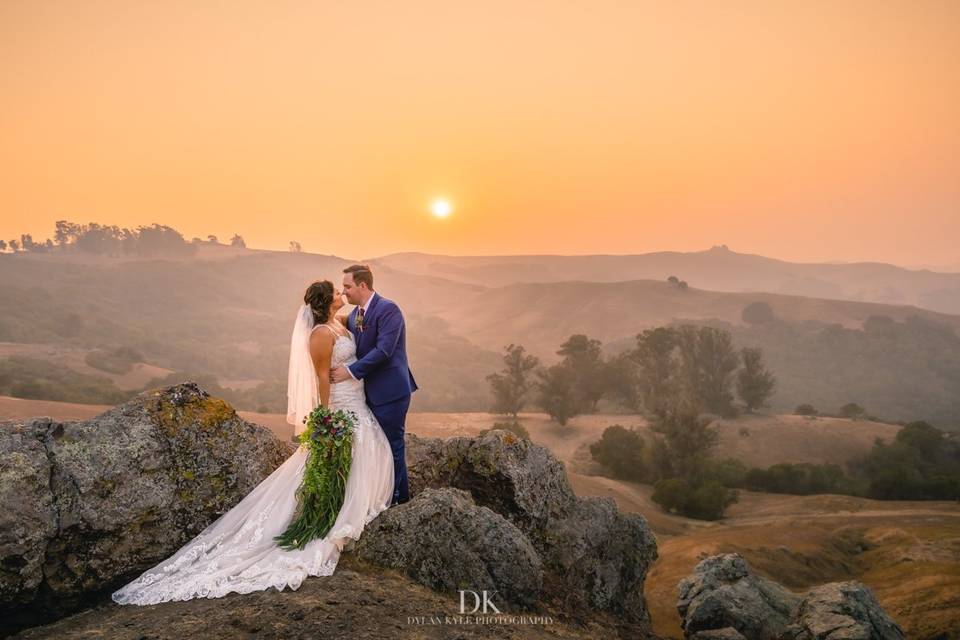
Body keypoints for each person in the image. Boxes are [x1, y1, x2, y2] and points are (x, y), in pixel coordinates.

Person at [111, 280, 395, 605]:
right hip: (340, 407)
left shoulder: (340, 323)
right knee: (334, 464)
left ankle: (348, 514)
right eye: (335, 291)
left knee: (365, 455)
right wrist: (324, 419)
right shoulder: (319, 334)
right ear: (323, 301)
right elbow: (320, 378)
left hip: (358, 404)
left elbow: (365, 320)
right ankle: (326, 522)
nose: (340, 294)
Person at [330, 264, 418, 505]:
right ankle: (382, 496)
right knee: (377, 447)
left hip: (391, 392)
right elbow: (337, 322)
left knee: (392, 446)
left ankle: (400, 499)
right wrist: (319, 316)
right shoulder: (359, 312)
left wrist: (349, 371)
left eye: (347, 287)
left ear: (363, 285)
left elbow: (384, 351)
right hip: (369, 393)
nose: (344, 291)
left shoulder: (389, 310)